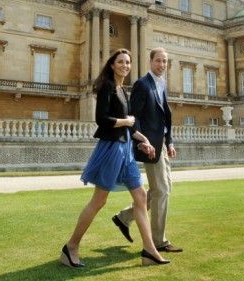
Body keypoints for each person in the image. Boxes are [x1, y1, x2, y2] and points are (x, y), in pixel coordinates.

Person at [60, 49, 169, 268]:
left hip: (127, 148)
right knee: (99, 201)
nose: (125, 66)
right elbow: (102, 119)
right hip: (111, 149)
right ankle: (70, 247)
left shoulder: (122, 90)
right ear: (112, 64)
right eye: (121, 62)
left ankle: (149, 250)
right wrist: (126, 122)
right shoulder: (108, 86)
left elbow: (128, 125)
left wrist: (142, 139)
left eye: (128, 62)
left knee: (140, 196)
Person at [112, 47, 183, 253]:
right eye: (159, 61)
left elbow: (165, 118)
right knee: (162, 191)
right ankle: (159, 241)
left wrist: (169, 141)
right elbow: (135, 117)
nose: (162, 65)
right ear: (151, 62)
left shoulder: (162, 84)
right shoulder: (143, 84)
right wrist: (143, 141)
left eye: (165, 61)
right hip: (150, 146)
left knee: (161, 189)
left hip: (161, 144)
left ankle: (124, 217)